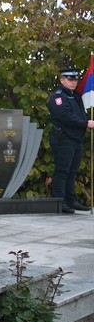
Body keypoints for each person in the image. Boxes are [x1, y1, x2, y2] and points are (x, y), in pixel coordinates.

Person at [48, 64, 94, 214]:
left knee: (72, 171)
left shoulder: (75, 96)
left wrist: (87, 119)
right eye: (70, 79)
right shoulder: (58, 97)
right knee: (62, 171)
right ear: (62, 80)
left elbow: (81, 114)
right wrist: (86, 123)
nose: (74, 82)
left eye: (75, 79)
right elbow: (66, 117)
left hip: (75, 139)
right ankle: (59, 201)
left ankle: (71, 200)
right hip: (64, 138)